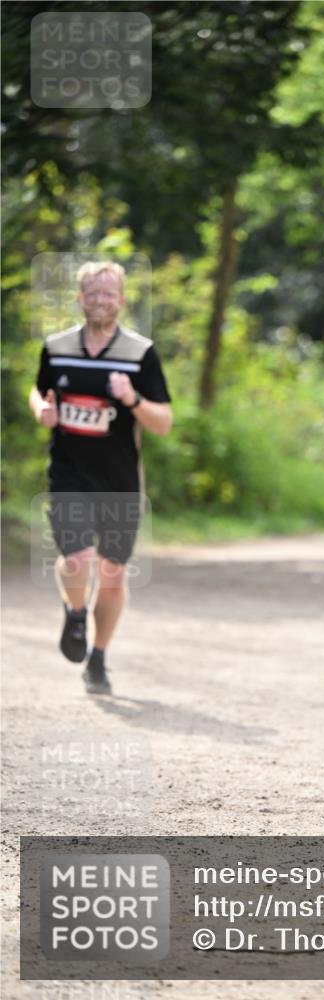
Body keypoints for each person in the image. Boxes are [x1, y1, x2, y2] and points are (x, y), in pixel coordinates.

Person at [29, 261, 172, 695]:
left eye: (109, 293)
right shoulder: (56, 348)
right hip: (69, 473)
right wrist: (41, 410)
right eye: (93, 293)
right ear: (80, 298)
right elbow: (39, 390)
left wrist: (132, 400)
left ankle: (99, 658)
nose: (101, 300)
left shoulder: (139, 352)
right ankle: (75, 614)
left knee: (112, 575)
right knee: (76, 558)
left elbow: (163, 421)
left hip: (120, 480)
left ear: (122, 300)